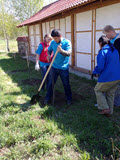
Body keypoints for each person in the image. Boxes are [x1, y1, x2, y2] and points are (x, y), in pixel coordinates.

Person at [92, 35, 120, 116]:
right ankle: (110, 112)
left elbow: (100, 66)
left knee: (98, 90)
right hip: (117, 77)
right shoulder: (115, 51)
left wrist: (95, 72)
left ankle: (105, 108)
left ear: (100, 43)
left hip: (108, 77)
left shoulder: (103, 52)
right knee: (110, 93)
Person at [44, 29, 72, 105]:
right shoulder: (53, 42)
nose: (55, 40)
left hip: (63, 68)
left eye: (56, 38)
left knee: (66, 84)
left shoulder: (67, 42)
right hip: (54, 66)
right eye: (53, 38)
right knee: (50, 84)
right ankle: (47, 98)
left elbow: (68, 53)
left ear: (60, 36)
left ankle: (69, 99)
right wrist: (49, 55)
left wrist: (61, 51)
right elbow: (49, 50)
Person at [103, 25, 120, 106]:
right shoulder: (112, 41)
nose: (106, 37)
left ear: (110, 32)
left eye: (106, 34)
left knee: (116, 87)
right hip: (112, 67)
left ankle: (116, 103)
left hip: (117, 67)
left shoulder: (118, 41)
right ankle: (111, 102)